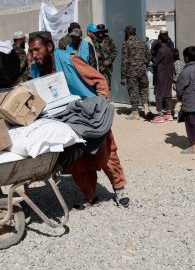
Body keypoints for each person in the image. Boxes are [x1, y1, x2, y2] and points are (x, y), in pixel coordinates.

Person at [29, 31, 129, 207]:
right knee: (77, 161)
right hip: (65, 120)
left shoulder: (69, 59)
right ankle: (90, 195)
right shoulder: (37, 69)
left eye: (37, 50)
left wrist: (102, 106)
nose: (34, 55)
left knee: (105, 154)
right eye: (31, 51)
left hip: (88, 113)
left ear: (49, 47)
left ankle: (119, 189)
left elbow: (99, 80)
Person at [121, 25, 152, 120]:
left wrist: (123, 76)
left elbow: (124, 60)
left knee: (133, 91)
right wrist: (144, 65)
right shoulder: (142, 42)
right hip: (142, 71)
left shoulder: (126, 43)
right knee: (143, 89)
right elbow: (148, 56)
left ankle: (135, 113)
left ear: (128, 33)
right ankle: (146, 108)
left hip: (131, 72)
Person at [150, 34, 174, 123]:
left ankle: (160, 115)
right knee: (168, 94)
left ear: (160, 40)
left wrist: (152, 59)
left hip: (161, 75)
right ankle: (169, 114)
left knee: (158, 94)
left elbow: (156, 62)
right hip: (169, 75)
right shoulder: (169, 50)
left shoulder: (161, 50)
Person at [94, 24, 117, 89]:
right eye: (99, 32)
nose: (100, 33)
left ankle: (107, 98)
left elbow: (115, 51)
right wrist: (95, 54)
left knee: (107, 85)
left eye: (102, 31)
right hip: (97, 66)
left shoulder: (109, 40)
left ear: (104, 32)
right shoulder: (94, 41)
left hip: (106, 67)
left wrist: (109, 60)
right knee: (98, 85)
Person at [172, 48, 185, 118]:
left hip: (178, 83)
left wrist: (174, 82)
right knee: (178, 98)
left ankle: (177, 112)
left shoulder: (176, 63)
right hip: (181, 83)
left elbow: (178, 74)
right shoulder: (179, 62)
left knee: (177, 98)